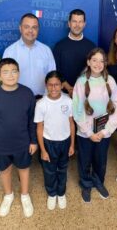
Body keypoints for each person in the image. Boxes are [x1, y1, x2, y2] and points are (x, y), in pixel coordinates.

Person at [0, 58, 37, 218]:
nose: (10, 75)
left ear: (19, 73)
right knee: (4, 171)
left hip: (23, 143)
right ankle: (8, 194)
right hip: (0, 145)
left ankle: (25, 195)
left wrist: (33, 140)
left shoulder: (27, 93)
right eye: (5, 72)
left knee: (24, 169)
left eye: (14, 71)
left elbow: (32, 120)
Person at [72, 48, 117, 202]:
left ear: (105, 63)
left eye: (102, 61)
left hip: (103, 132)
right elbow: (77, 109)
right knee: (85, 159)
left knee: (100, 159)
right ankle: (86, 184)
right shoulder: (81, 82)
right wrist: (89, 133)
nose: (98, 64)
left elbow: (116, 107)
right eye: (94, 60)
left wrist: (105, 131)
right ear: (88, 62)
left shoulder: (110, 81)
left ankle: (98, 182)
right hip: (85, 133)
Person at [34, 71, 75, 210]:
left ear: (61, 85)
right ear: (46, 85)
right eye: (50, 85)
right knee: (49, 170)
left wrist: (72, 144)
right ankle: (52, 194)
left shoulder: (68, 101)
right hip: (48, 143)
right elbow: (39, 128)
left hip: (65, 141)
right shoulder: (41, 104)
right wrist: (43, 150)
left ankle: (61, 193)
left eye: (57, 85)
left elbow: (71, 124)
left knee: (63, 169)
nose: (53, 88)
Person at [3, 13, 56, 98]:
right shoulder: (10, 52)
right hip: (18, 100)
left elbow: (53, 77)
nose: (30, 31)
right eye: (26, 27)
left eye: (34, 27)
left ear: (38, 29)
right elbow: (5, 80)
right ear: (20, 28)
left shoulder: (46, 51)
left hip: (42, 101)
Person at [53, 9, 96, 97]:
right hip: (63, 94)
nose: (77, 25)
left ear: (84, 24)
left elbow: (94, 71)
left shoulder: (92, 47)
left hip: (86, 94)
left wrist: (80, 90)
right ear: (69, 24)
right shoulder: (59, 46)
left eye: (80, 22)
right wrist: (69, 89)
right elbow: (56, 71)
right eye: (74, 21)